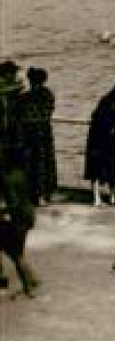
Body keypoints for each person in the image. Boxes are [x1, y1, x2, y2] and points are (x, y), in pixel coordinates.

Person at [85, 82, 115, 207]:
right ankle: (112, 196)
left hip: (94, 136)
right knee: (111, 166)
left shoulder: (105, 99)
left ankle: (96, 198)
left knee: (95, 167)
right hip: (108, 138)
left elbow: (94, 115)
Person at [0, 153, 39, 297]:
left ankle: (29, 288)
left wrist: (4, 210)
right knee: (16, 253)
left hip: (18, 219)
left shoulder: (7, 178)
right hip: (29, 215)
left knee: (16, 255)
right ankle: (31, 280)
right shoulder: (23, 174)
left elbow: (13, 203)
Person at [17, 68, 56, 206]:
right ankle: (46, 195)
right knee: (45, 164)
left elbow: (20, 115)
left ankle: (34, 195)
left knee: (30, 165)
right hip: (44, 133)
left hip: (28, 134)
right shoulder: (48, 94)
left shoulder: (24, 97)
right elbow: (49, 111)